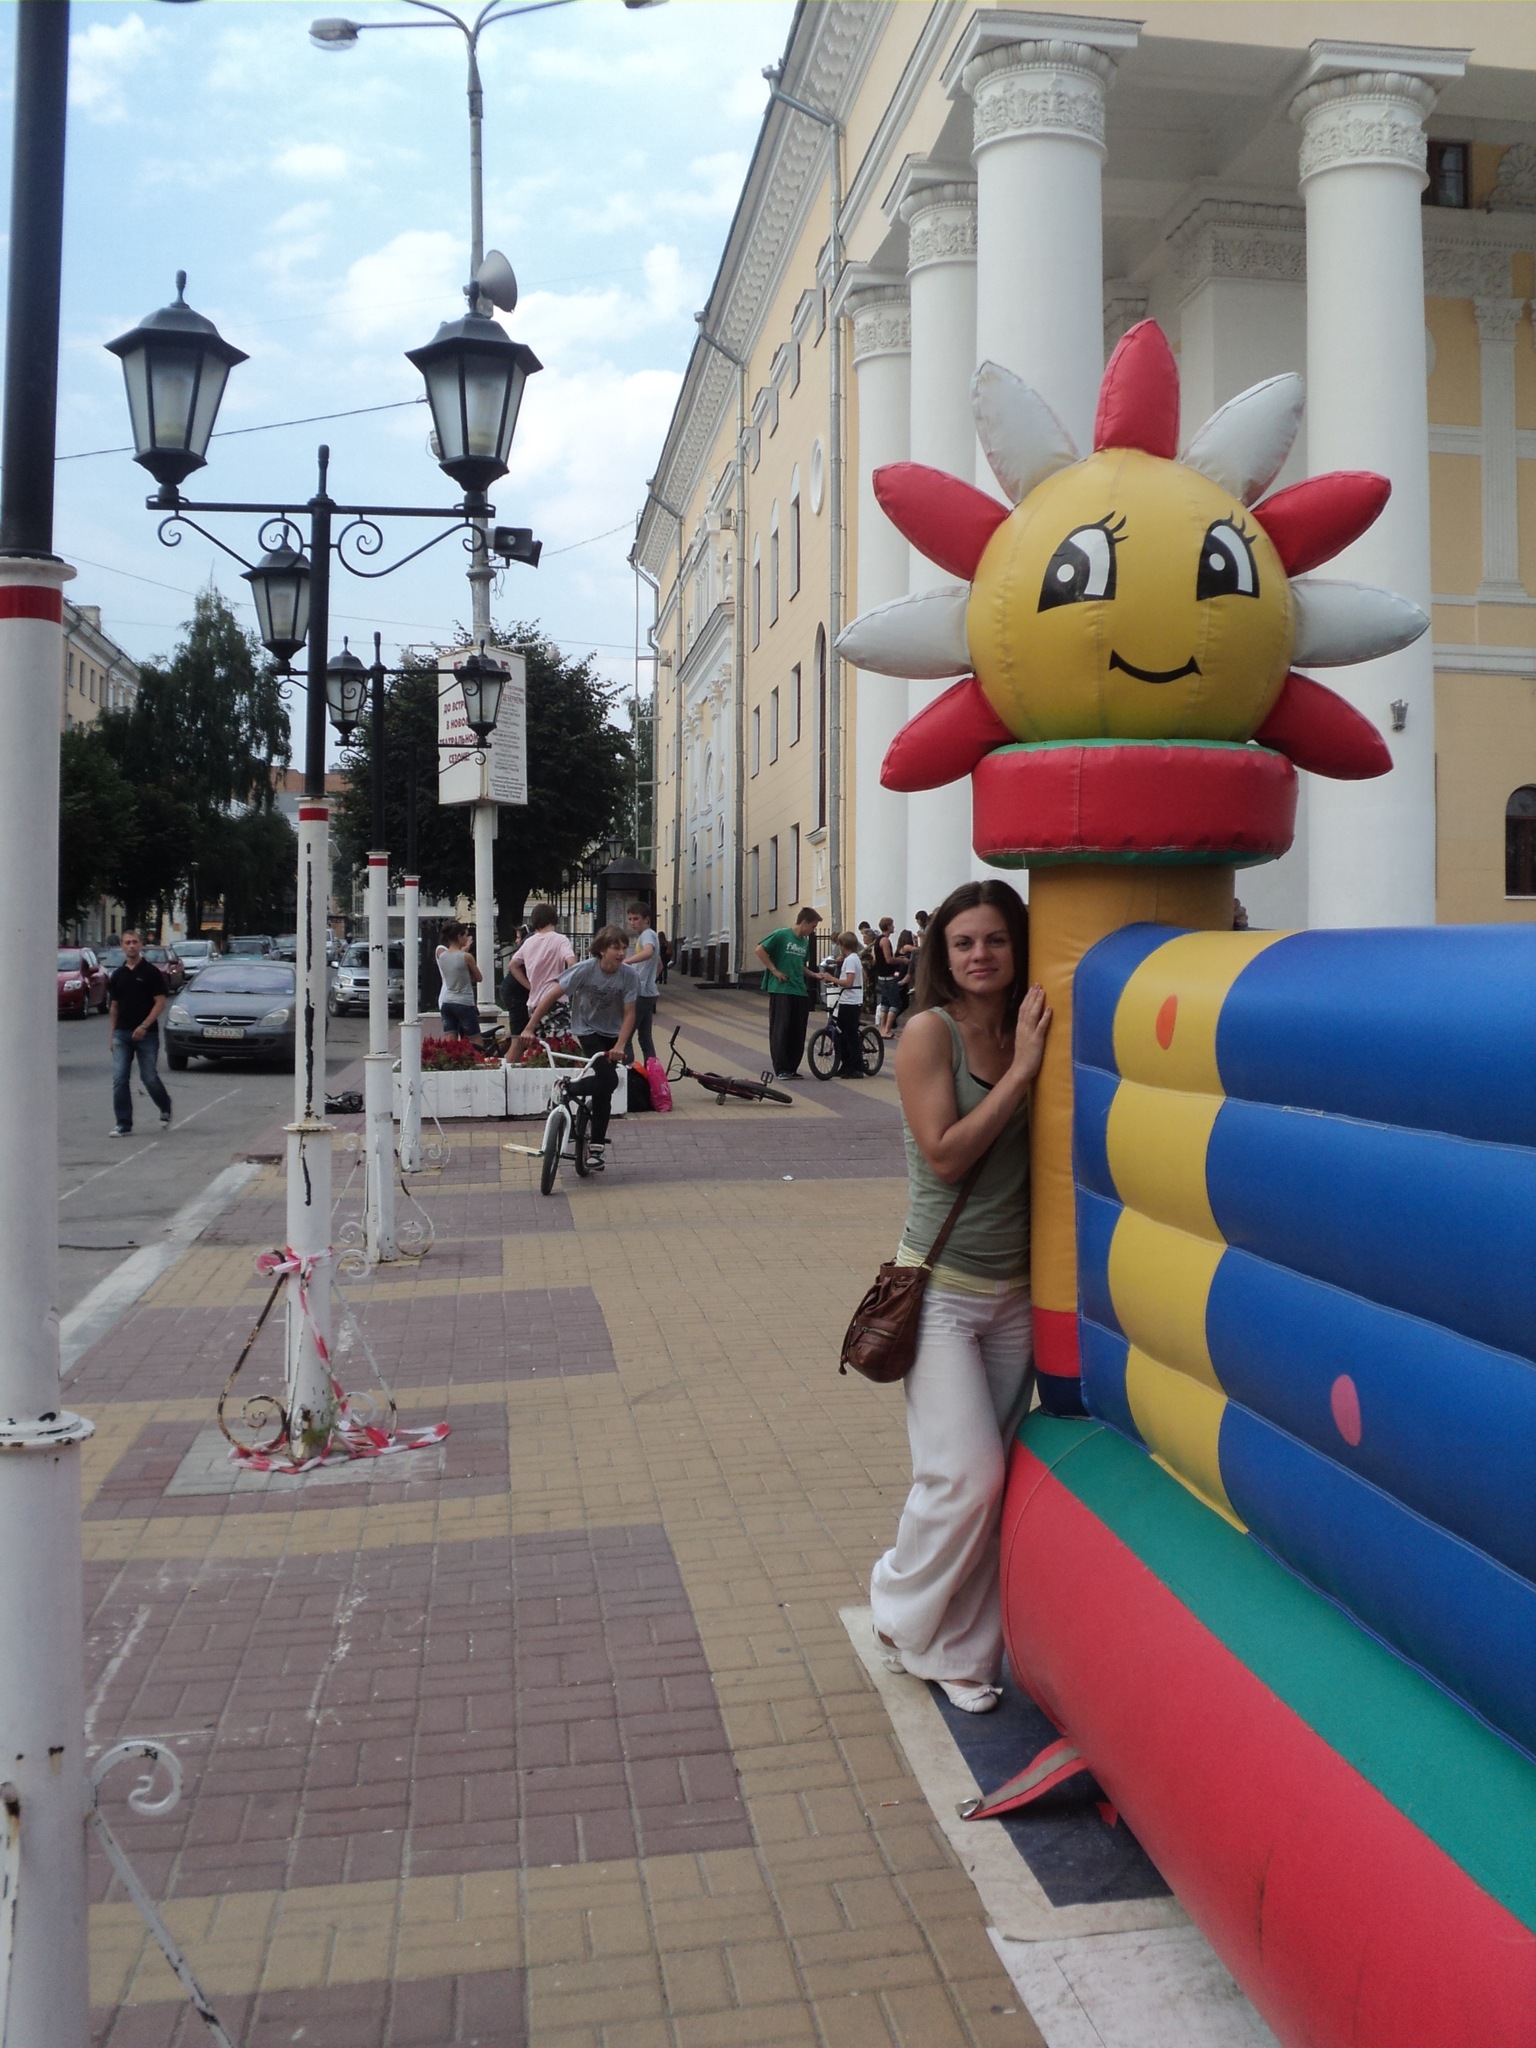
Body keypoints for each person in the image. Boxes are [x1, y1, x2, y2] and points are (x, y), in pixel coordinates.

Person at [870, 880, 1051, 1714]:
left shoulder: (1031, 1024)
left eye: (996, 940)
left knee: (995, 1482)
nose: (982, 955)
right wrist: (1021, 1074)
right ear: (943, 956)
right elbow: (944, 1154)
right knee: (964, 1477)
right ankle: (897, 1606)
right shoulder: (927, 1034)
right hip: (940, 1289)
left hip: (1018, 1294)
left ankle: (962, 1653)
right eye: (965, 943)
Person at [514, 925, 637, 1157]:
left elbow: (630, 1013)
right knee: (609, 1079)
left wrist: (621, 1045)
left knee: (604, 1090)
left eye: (624, 948)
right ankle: (568, 1088)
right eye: (615, 948)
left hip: (613, 1034)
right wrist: (529, 1027)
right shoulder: (584, 970)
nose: (621, 953)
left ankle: (596, 1145)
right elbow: (550, 995)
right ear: (602, 949)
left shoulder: (629, 975)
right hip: (587, 1030)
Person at [107, 928, 173, 1137]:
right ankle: (123, 1123)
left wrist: (144, 1026)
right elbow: (114, 1007)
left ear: (141, 945)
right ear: (122, 946)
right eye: (127, 943)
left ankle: (164, 1105)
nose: (131, 946)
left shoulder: (151, 972)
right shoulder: (118, 975)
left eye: (134, 942)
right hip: (122, 1034)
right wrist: (112, 1035)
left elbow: (160, 1003)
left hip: (147, 1035)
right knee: (120, 1078)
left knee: (149, 1077)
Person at [755, 907, 824, 1079]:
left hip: (799, 989)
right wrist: (775, 971)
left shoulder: (804, 942)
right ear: (804, 922)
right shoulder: (781, 935)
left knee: (797, 1029)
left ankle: (792, 1067)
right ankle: (781, 1068)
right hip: (781, 989)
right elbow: (760, 950)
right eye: (813, 927)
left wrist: (813, 975)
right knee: (781, 1028)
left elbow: (800, 964)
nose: (813, 931)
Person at [506, 905, 574, 1040]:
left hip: (534, 1003)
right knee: (561, 1045)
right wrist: (568, 984)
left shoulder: (529, 942)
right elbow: (571, 962)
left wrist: (529, 986)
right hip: (556, 1002)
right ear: (554, 919)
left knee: (539, 1046)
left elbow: (512, 965)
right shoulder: (560, 940)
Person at [624, 903, 659, 1064]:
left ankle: (627, 1070)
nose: (632, 922)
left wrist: (627, 962)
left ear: (646, 919)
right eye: (630, 919)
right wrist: (650, 979)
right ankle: (652, 1072)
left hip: (641, 993)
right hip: (649, 992)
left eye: (636, 918)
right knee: (645, 1037)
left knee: (625, 1036)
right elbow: (659, 964)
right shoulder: (649, 935)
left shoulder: (647, 935)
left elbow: (648, 952)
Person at [437, 921, 483, 1039]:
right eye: (465, 935)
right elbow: (479, 978)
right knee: (475, 1039)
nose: (467, 938)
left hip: (447, 1001)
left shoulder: (442, 956)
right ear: (459, 936)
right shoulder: (466, 957)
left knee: (450, 1040)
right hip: (464, 1002)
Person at [832, 931, 867, 1076]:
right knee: (842, 1034)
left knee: (850, 1035)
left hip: (850, 1001)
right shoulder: (854, 958)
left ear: (842, 945)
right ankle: (846, 1064)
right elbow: (864, 977)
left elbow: (849, 982)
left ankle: (856, 1067)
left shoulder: (851, 960)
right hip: (850, 999)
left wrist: (831, 978)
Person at [874, 917, 901, 1039]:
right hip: (888, 977)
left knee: (885, 1002)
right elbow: (889, 959)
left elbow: (875, 958)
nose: (894, 927)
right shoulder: (885, 940)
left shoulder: (877, 940)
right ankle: (887, 1029)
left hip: (880, 976)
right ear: (888, 926)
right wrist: (901, 960)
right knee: (895, 1003)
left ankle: (882, 1027)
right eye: (892, 925)